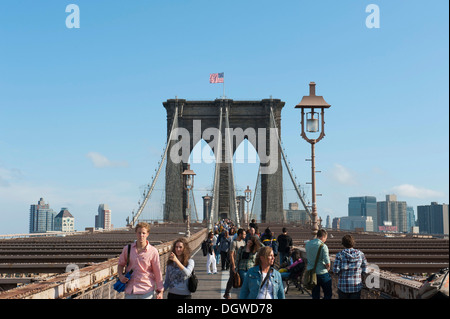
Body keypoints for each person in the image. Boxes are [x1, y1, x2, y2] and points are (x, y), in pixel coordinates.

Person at [117, 222, 164, 299]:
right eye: (139, 233)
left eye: (143, 233)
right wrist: (121, 276)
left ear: (147, 234)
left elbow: (157, 272)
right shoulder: (127, 249)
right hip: (130, 290)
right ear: (136, 233)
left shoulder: (153, 251)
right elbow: (120, 264)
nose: (141, 235)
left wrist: (160, 290)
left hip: (146, 291)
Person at [332, 234, 368, 299]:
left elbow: (335, 270)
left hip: (343, 286)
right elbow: (365, 269)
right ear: (353, 243)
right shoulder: (360, 254)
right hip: (356, 286)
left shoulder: (339, 255)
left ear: (343, 243)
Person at [305, 229, 332, 299]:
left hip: (312, 273)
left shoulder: (308, 244)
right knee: (328, 294)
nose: (325, 240)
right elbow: (327, 263)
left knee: (315, 295)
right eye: (325, 238)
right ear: (323, 237)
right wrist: (328, 268)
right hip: (322, 273)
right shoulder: (323, 246)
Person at [223, 228, 246, 299]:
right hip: (235, 264)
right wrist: (233, 265)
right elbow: (231, 254)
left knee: (241, 279)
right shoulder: (234, 242)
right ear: (240, 234)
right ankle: (227, 293)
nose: (245, 235)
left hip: (241, 264)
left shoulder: (243, 242)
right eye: (244, 234)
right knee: (232, 278)